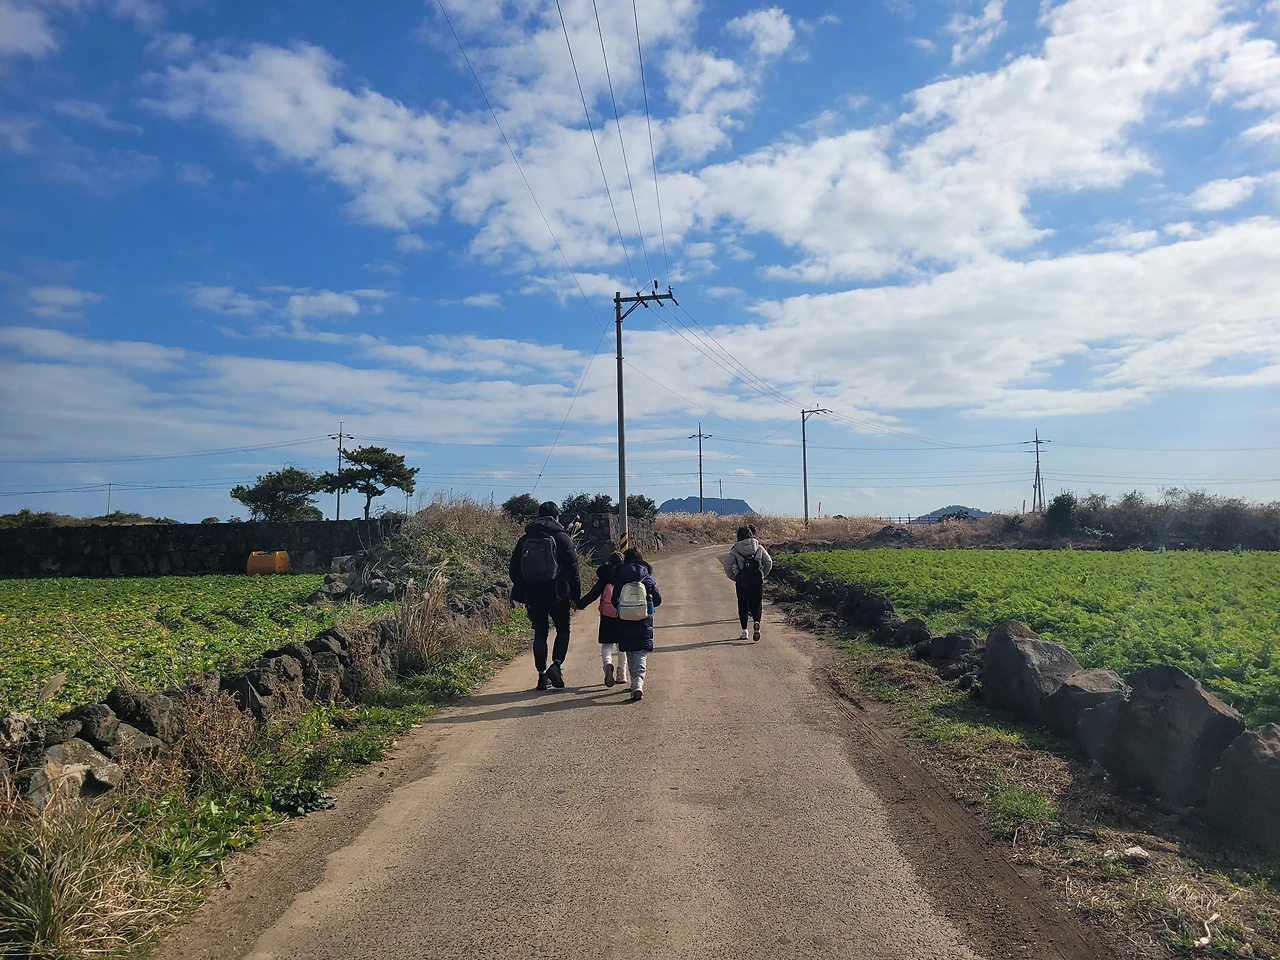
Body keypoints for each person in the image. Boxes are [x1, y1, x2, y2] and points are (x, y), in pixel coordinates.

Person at [509, 502, 581, 690]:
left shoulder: (525, 539)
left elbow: (513, 570)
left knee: (540, 633)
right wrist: (575, 597)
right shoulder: (562, 538)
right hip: (558, 594)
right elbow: (574, 570)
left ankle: (541, 676)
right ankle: (556, 665)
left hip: (534, 595)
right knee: (562, 630)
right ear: (556, 517)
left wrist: (526, 587)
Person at [611, 547, 662, 701]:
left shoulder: (620, 576)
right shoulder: (647, 577)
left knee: (630, 651)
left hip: (625, 619)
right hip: (643, 619)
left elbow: (614, 600)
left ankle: (634, 681)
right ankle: (638, 683)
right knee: (641, 651)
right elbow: (657, 600)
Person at [576, 550, 627, 687]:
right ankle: (622, 674)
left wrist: (579, 604)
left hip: (607, 615)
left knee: (607, 644)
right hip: (623, 613)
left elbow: (593, 594)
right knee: (622, 644)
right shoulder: (625, 576)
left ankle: (607, 664)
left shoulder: (604, 577)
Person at [722, 525, 772, 641]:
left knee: (743, 604)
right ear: (751, 534)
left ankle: (744, 631)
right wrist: (762, 575)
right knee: (757, 603)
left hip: (742, 582)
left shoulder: (736, 549)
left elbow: (727, 565)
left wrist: (735, 577)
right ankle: (756, 622)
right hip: (757, 580)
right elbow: (768, 562)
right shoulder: (758, 547)